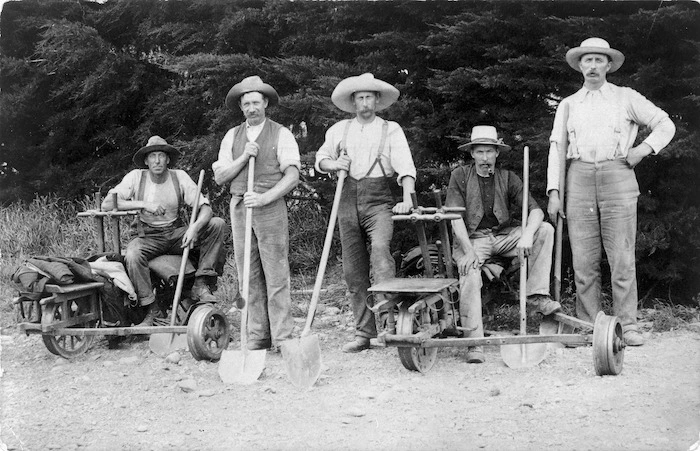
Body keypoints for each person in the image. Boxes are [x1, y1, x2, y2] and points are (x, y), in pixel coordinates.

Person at [546, 38, 676, 347]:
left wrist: (642, 150)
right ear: (579, 66)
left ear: (608, 65)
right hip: (577, 177)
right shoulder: (568, 104)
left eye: (598, 60)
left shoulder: (626, 97)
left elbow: (665, 124)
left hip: (617, 174)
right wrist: (554, 191)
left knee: (621, 256)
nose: (592, 66)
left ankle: (627, 325)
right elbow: (556, 149)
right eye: (587, 60)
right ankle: (587, 324)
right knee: (583, 259)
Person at [315, 73, 417, 353]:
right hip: (346, 200)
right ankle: (364, 333)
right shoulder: (339, 130)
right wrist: (335, 164)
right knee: (353, 270)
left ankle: (389, 325)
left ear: (377, 100)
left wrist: (408, 198)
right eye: (359, 97)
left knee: (381, 254)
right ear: (353, 101)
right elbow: (320, 160)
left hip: (378, 200)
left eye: (369, 96)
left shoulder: (391, 129)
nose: (364, 102)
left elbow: (406, 168)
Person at [446, 125, 559, 363]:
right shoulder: (460, 176)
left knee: (545, 230)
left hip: (504, 237)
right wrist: (467, 251)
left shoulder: (508, 178)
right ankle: (474, 341)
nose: (485, 157)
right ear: (472, 154)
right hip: (473, 240)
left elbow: (536, 212)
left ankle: (536, 296)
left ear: (497, 153)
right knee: (469, 272)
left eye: (489, 152)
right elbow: (454, 217)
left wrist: (527, 234)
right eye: (480, 152)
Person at [212, 76, 300, 352]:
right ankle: (257, 336)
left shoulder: (281, 133)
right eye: (246, 103)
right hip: (240, 208)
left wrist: (264, 197)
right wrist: (243, 156)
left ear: (265, 103)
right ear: (241, 106)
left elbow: (293, 176)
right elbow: (220, 177)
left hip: (269, 206)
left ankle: (284, 337)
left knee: (276, 273)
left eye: (256, 102)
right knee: (247, 275)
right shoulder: (232, 136)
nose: (252, 108)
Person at [102, 136, 225, 326]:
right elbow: (107, 204)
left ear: (168, 159)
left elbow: (206, 209)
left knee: (216, 224)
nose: (157, 161)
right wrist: (143, 204)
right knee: (133, 255)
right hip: (147, 236)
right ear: (146, 160)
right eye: (153, 156)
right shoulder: (136, 177)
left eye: (161, 155)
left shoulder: (179, 177)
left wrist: (194, 227)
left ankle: (201, 283)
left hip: (175, 234)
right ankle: (152, 309)